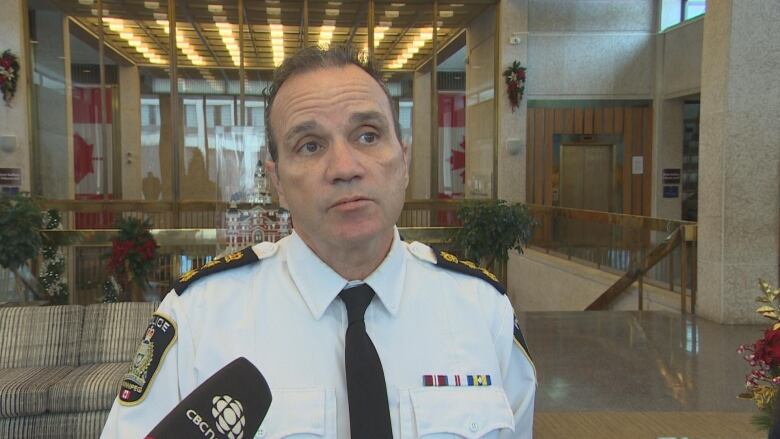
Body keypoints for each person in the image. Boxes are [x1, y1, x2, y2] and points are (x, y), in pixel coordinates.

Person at [101, 45, 536, 438]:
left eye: (368, 135)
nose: (345, 167)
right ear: (277, 183)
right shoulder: (199, 317)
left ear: (403, 160)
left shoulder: (482, 310)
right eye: (310, 146)